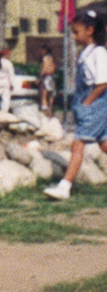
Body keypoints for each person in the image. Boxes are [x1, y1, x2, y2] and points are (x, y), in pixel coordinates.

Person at [44, 12, 107, 201]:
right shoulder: (85, 53)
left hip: (94, 105)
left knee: (77, 145)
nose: (73, 36)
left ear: (90, 31)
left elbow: (103, 82)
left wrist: (88, 103)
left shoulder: (99, 53)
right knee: (104, 144)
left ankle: (65, 186)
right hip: (88, 104)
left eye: (76, 32)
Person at [39, 51, 58, 118]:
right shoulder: (52, 59)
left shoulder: (45, 58)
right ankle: (50, 109)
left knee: (44, 95)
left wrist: (40, 76)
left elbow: (45, 69)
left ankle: (44, 111)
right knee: (51, 95)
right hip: (52, 77)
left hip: (46, 77)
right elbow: (55, 68)